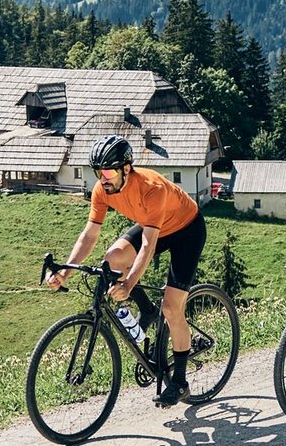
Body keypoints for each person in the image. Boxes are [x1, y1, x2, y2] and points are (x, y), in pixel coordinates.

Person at [47, 134, 206, 405]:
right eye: (98, 172)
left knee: (171, 308)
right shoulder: (102, 189)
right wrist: (66, 271)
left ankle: (179, 381)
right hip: (153, 226)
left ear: (126, 168)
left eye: (108, 171)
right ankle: (146, 309)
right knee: (112, 259)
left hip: (186, 230)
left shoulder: (151, 187)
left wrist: (129, 284)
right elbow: (89, 235)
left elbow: (147, 245)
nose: (103, 178)